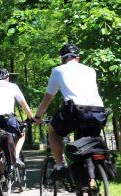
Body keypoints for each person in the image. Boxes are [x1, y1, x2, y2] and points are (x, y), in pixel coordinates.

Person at [35, 44, 106, 186]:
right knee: (88, 145)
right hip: (98, 112)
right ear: (78, 58)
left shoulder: (58, 70)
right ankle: (90, 186)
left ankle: (60, 166)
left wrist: (38, 116)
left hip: (76, 111)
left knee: (53, 130)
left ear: (62, 59)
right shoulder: (91, 70)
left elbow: (48, 97)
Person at [0, 68, 34, 168]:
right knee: (22, 133)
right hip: (7, 119)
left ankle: (1, 168)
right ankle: (15, 157)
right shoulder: (12, 86)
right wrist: (31, 118)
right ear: (7, 77)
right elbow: (23, 104)